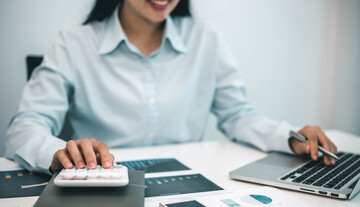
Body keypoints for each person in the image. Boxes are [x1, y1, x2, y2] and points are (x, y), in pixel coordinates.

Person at [5, 0, 337, 174]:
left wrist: (290, 137)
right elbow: (23, 129)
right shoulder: (73, 44)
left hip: (190, 185)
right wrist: (58, 153)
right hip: (102, 182)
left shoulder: (206, 38)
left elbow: (238, 116)